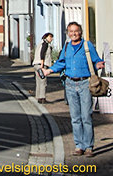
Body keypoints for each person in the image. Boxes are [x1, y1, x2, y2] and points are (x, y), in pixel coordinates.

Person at [42, 22, 104, 157]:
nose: (73, 34)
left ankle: (88, 147)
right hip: (70, 84)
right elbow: (61, 63)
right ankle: (78, 146)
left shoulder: (87, 46)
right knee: (75, 118)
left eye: (76, 31)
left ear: (80, 32)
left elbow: (96, 59)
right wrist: (49, 71)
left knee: (86, 116)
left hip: (85, 84)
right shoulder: (66, 47)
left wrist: (99, 64)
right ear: (68, 33)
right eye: (71, 31)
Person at [33, 32, 53, 103]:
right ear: (46, 37)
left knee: (38, 81)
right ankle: (42, 98)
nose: (52, 39)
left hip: (36, 64)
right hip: (41, 64)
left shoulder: (40, 43)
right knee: (43, 81)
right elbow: (42, 53)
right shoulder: (45, 44)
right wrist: (42, 65)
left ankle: (38, 97)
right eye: (50, 37)